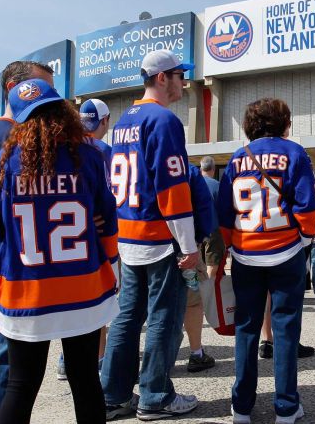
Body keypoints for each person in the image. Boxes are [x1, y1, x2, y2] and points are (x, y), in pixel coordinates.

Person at [0, 78, 119, 424]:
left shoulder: (6, 162)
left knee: (21, 385)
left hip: (26, 286)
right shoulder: (89, 154)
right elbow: (107, 216)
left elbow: (0, 226)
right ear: (64, 110)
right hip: (82, 284)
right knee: (85, 380)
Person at [100, 49, 200, 421]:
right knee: (164, 317)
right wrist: (188, 246)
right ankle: (155, 396)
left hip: (128, 234)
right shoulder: (164, 120)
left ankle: (113, 394)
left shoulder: (125, 118)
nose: (184, 82)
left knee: (127, 316)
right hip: (159, 237)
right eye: (179, 75)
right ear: (162, 78)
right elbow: (173, 189)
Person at [218, 97, 315, 424]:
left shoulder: (236, 158)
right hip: (285, 251)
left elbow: (223, 214)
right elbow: (309, 207)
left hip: (246, 253)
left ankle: (243, 408)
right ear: (284, 122)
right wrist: (304, 237)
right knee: (286, 330)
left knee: (246, 329)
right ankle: (286, 408)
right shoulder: (294, 152)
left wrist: (227, 249)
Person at [0, 60, 55, 424]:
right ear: (14, 89)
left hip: (6, 262)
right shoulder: (2, 136)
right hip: (4, 267)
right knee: (8, 365)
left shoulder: (11, 135)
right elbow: (3, 212)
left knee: (10, 363)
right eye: (42, 87)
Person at [56, 98, 115, 381]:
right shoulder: (101, 151)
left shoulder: (62, 148)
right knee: (97, 308)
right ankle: (98, 360)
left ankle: (65, 359)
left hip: (60, 242)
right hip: (92, 239)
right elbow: (107, 201)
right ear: (104, 122)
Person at [183, 155, 221, 372]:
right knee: (193, 302)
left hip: (143, 247)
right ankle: (196, 353)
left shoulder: (138, 167)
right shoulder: (189, 172)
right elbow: (208, 212)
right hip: (185, 248)